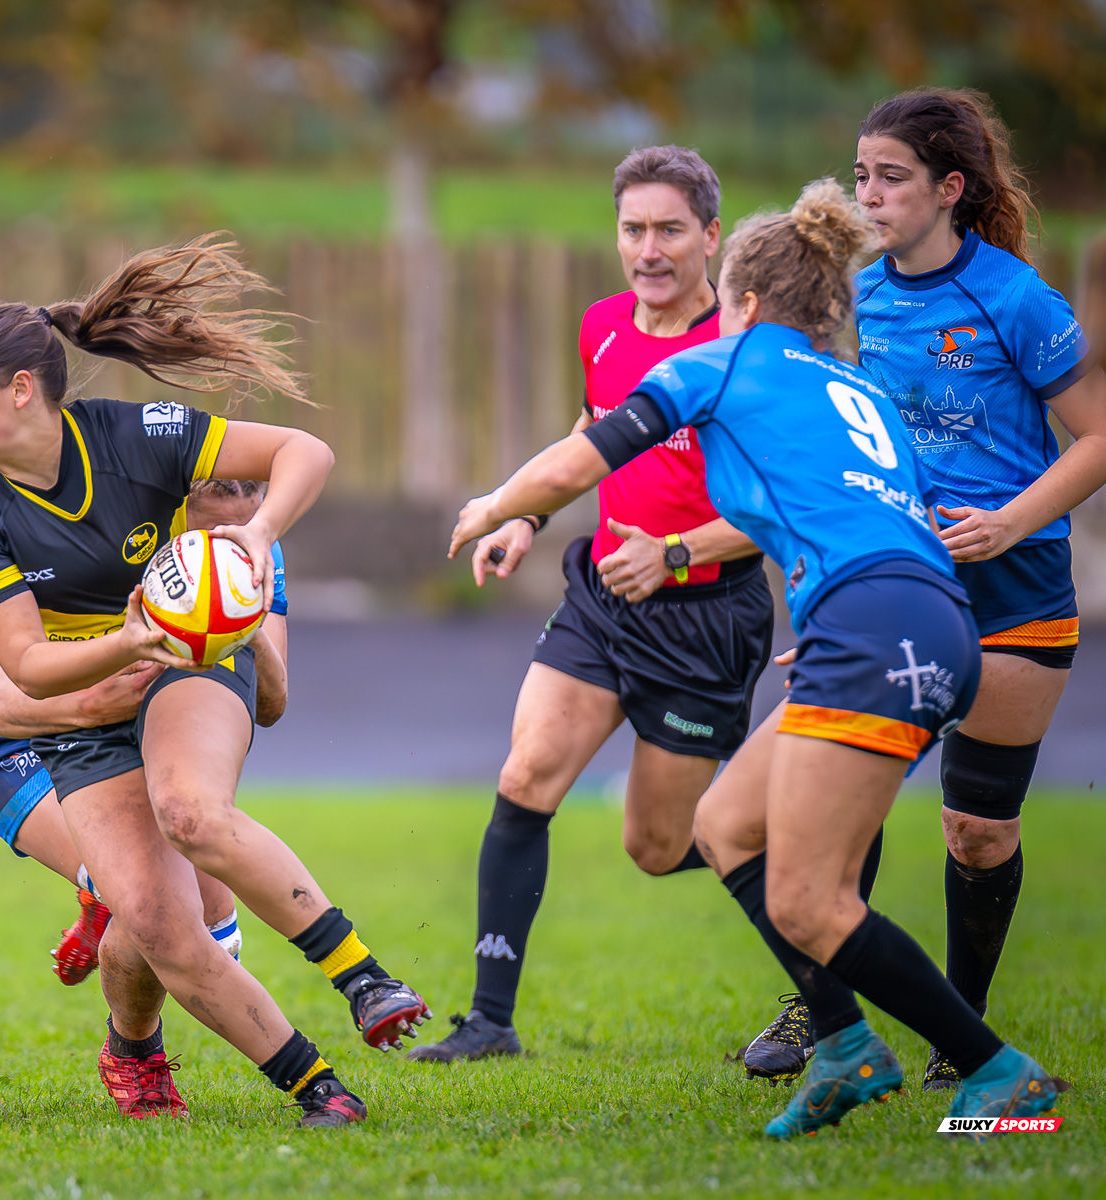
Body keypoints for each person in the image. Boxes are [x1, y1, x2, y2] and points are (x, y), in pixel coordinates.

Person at [452, 177, 1062, 1140]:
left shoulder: (724, 362)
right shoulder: (855, 387)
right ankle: (846, 1046)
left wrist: (494, 506)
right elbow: (869, 515)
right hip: (916, 616)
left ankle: (998, 1071)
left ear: (741, 301)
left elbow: (580, 460)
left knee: (807, 899)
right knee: (726, 826)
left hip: (874, 627)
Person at [0, 235, 428, 1127]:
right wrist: (129, 640)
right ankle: (318, 1089)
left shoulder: (137, 438)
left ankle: (363, 977)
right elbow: (26, 671)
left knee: (191, 813)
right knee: (159, 923)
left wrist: (260, 539)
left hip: (183, 664)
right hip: (82, 699)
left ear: (20, 390)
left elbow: (305, 451)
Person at [409, 146, 815, 1066]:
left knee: (660, 845)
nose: (649, 249)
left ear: (711, 237)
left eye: (670, 229)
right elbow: (593, 434)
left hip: (705, 621)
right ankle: (490, 1022)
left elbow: (779, 508)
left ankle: (819, 917)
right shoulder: (601, 325)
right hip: (601, 598)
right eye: (634, 229)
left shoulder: (747, 351)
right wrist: (530, 516)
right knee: (526, 776)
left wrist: (674, 554)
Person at [735, 88, 1106, 1092]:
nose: (869, 195)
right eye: (861, 176)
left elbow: (1098, 436)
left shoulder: (1017, 300)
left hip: (1017, 594)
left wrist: (1009, 522)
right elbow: (831, 462)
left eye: (891, 177)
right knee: (832, 808)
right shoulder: (852, 304)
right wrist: (827, 596)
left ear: (949, 188)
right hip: (894, 590)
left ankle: (963, 1035)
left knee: (976, 831)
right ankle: (826, 1009)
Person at [0, 480, 294, 982]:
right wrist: (91, 703)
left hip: (114, 729)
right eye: (222, 516)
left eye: (255, 510)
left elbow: (270, 705)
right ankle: (107, 915)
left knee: (199, 910)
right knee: (155, 906)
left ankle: (131, 985)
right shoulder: (124, 527)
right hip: (7, 743)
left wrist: (245, 622)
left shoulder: (256, 550)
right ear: (183, 495)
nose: (240, 532)